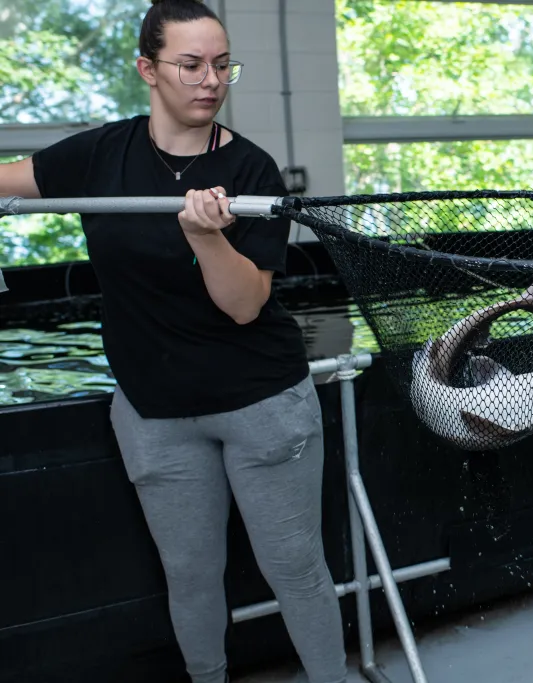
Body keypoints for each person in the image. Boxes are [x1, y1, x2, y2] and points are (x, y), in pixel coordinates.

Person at [0, 1, 348, 682]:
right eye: (190, 65)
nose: (209, 81)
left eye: (221, 65)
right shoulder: (102, 152)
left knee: (295, 568)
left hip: (262, 405)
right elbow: (11, 179)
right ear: (148, 69)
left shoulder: (251, 172)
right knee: (188, 575)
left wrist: (205, 235)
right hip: (155, 415)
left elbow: (246, 304)